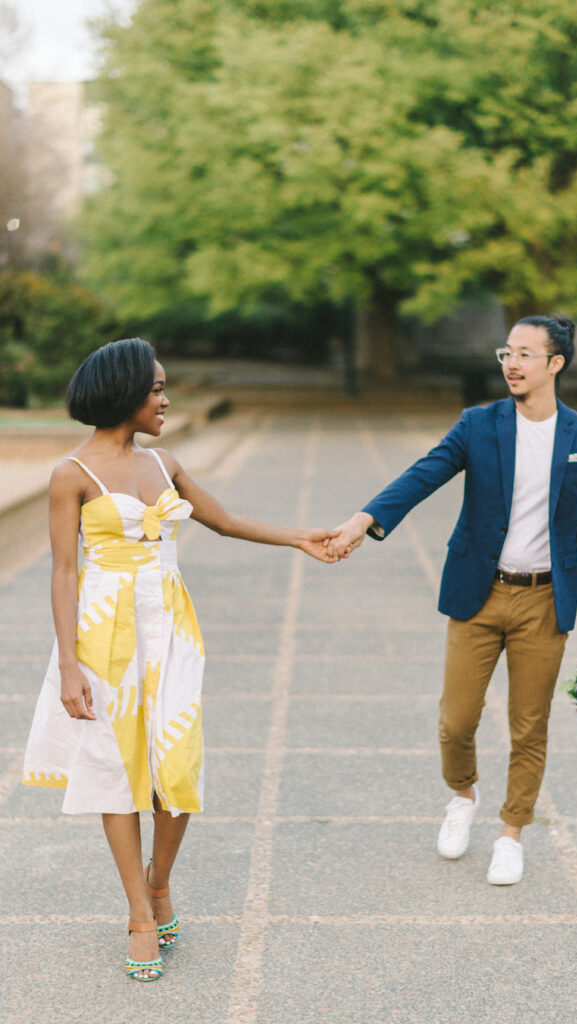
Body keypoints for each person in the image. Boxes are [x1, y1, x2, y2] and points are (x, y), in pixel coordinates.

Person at [22, 338, 341, 981]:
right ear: (124, 394)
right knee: (116, 770)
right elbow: (63, 572)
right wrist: (68, 666)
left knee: (177, 766)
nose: (166, 401)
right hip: (103, 636)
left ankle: (159, 881)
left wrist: (300, 537)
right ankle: (141, 913)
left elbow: (224, 521)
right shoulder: (71, 475)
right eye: (157, 390)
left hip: (171, 630)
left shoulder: (166, 465)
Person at [328, 315, 577, 886]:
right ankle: (462, 794)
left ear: (555, 364)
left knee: (528, 726)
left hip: (546, 600)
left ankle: (511, 832)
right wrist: (363, 519)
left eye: (524, 354)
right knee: (456, 720)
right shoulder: (479, 425)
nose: (511, 364)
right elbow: (424, 475)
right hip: (480, 593)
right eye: (505, 353)